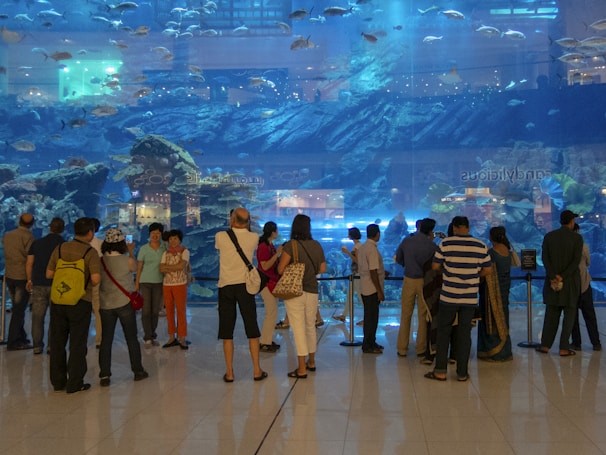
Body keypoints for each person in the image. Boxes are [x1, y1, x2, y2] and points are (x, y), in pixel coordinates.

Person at [425, 216, 491, 382]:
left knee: (443, 332)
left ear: (454, 228)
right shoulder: (480, 245)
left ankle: (440, 370)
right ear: (468, 228)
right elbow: (488, 270)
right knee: (464, 334)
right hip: (469, 298)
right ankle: (462, 373)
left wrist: (448, 272)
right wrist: (475, 275)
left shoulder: (446, 244)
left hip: (449, 296)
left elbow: (435, 266)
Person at [46, 217, 101, 393]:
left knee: (57, 341)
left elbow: (49, 274)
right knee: (77, 343)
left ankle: (57, 381)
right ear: (90, 232)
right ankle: (75, 382)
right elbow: (95, 278)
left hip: (59, 300)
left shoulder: (60, 248)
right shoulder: (89, 252)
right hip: (80, 301)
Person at [215, 207, 267, 382]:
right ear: (248, 222)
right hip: (245, 286)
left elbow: (220, 249)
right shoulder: (254, 238)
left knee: (227, 332)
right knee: (251, 328)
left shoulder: (221, 236)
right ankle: (257, 370)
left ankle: (229, 372)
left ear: (232, 219)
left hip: (226, 286)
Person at [278, 214, 326, 378]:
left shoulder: (291, 245)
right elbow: (322, 269)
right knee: (309, 327)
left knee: (297, 328)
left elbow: (280, 269)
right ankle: (311, 362)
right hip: (312, 291)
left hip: (295, 292)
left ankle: (301, 368)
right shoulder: (317, 245)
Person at [98, 228, 148, 386]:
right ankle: (138, 371)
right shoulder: (127, 259)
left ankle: (104, 375)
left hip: (106, 304)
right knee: (131, 338)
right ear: (121, 243)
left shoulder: (100, 261)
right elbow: (134, 268)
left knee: (106, 340)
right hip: (125, 303)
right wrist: (131, 251)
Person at [536, 210, 583, 356]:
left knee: (551, 315)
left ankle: (545, 345)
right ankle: (563, 347)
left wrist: (553, 275)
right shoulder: (577, 238)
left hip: (552, 282)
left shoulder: (549, 236)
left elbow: (545, 258)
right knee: (569, 316)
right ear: (571, 222)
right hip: (569, 283)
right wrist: (562, 276)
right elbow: (575, 261)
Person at [395, 218, 438, 358]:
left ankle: (402, 348)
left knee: (405, 314)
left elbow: (399, 259)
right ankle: (420, 348)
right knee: (422, 315)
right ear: (431, 231)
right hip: (424, 282)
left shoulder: (407, 241)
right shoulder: (432, 246)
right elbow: (435, 266)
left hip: (408, 279)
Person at [26, 217, 65, 354]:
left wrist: (29, 279)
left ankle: (37, 345)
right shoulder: (64, 245)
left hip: (38, 283)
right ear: (63, 229)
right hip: (57, 285)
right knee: (55, 318)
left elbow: (30, 263)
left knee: (37, 317)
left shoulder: (37, 243)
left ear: (49, 227)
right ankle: (51, 346)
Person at [477, 226, 514, 362]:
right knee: (503, 316)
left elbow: (486, 271)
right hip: (504, 290)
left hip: (491, 293)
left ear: (491, 237)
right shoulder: (508, 251)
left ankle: (492, 351)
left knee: (490, 319)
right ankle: (505, 350)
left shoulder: (492, 253)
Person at [2, 213, 36, 351]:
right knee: (19, 310)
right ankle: (13, 341)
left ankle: (21, 336)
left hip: (9, 275)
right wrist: (30, 279)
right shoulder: (29, 237)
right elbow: (30, 259)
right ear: (33, 223)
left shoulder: (8, 235)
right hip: (22, 277)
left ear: (19, 221)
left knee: (17, 308)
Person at [570, 223, 601, 351]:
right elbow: (588, 262)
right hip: (585, 283)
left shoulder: (566, 247)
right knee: (590, 315)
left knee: (573, 315)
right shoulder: (584, 246)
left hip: (571, 285)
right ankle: (596, 343)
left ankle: (577, 342)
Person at [136, 222, 167, 347]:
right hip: (145, 282)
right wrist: (136, 284)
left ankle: (153, 335)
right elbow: (139, 268)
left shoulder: (164, 248)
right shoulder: (144, 248)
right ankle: (147, 337)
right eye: (153, 233)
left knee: (155, 311)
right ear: (149, 234)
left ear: (161, 234)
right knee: (146, 310)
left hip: (159, 282)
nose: (155, 235)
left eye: (158, 233)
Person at [159, 229, 190, 350]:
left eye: (175, 238)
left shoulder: (185, 251)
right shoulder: (165, 253)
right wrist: (174, 267)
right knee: (169, 311)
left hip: (180, 284)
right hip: (167, 285)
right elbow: (161, 269)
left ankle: (182, 337)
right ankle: (171, 336)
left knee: (181, 311)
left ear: (180, 239)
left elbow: (182, 266)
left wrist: (168, 268)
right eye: (171, 239)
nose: (173, 241)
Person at [357, 223, 386, 354]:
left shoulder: (363, 247)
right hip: (372, 288)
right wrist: (379, 291)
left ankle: (371, 341)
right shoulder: (372, 249)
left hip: (365, 286)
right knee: (371, 318)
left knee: (369, 317)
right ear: (377, 234)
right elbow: (373, 271)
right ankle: (368, 345)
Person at [257, 222, 283, 353]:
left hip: (272, 282)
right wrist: (277, 254)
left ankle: (267, 339)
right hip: (266, 283)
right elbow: (265, 266)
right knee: (271, 312)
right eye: (276, 230)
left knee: (272, 312)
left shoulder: (270, 245)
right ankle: (264, 342)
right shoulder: (263, 247)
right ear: (272, 232)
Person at [333, 227, 363, 324]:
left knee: (360, 297)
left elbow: (357, 260)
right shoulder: (359, 245)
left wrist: (347, 253)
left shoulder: (357, 247)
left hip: (358, 274)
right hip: (355, 274)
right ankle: (344, 315)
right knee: (350, 295)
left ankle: (367, 317)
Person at [89, 218, 103, 349]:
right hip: (96, 280)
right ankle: (99, 339)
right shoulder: (100, 244)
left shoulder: (75, 244)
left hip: (81, 281)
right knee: (98, 309)